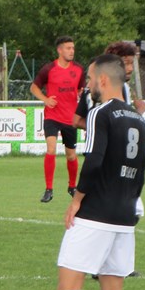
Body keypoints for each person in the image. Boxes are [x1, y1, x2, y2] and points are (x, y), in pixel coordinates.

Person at [57, 54, 145, 290]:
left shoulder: (101, 112)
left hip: (96, 213)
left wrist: (77, 201)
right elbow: (141, 171)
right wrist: (130, 205)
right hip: (125, 216)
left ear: (104, 81)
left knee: (68, 287)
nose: (89, 86)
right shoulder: (138, 120)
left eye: (92, 80)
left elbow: (94, 161)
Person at [30, 36, 86, 202]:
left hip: (70, 118)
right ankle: (49, 189)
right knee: (51, 149)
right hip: (52, 116)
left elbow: (80, 90)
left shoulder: (78, 70)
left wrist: (81, 94)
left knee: (71, 155)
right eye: (68, 48)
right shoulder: (48, 69)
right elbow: (33, 87)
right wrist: (45, 99)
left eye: (73, 48)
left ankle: (72, 186)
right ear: (59, 50)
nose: (71, 51)